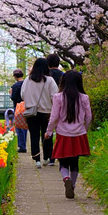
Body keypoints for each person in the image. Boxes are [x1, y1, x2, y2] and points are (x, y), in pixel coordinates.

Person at [44, 70, 93, 199]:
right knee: (75, 162)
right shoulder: (84, 97)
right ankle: (73, 185)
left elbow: (54, 117)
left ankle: (66, 179)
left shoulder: (58, 97)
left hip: (63, 133)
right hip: (79, 133)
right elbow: (89, 116)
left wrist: (49, 131)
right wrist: (85, 129)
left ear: (63, 82)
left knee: (63, 162)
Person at [20, 58, 58, 167]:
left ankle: (36, 159)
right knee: (47, 135)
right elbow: (54, 97)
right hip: (46, 112)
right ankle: (48, 158)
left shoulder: (28, 79)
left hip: (31, 112)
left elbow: (22, 95)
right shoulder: (49, 80)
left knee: (34, 136)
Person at [9, 68, 26, 152]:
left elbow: (13, 98)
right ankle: (24, 144)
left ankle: (22, 146)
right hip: (26, 106)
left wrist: (10, 94)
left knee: (19, 126)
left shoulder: (15, 86)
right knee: (25, 126)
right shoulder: (27, 84)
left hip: (18, 107)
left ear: (15, 76)